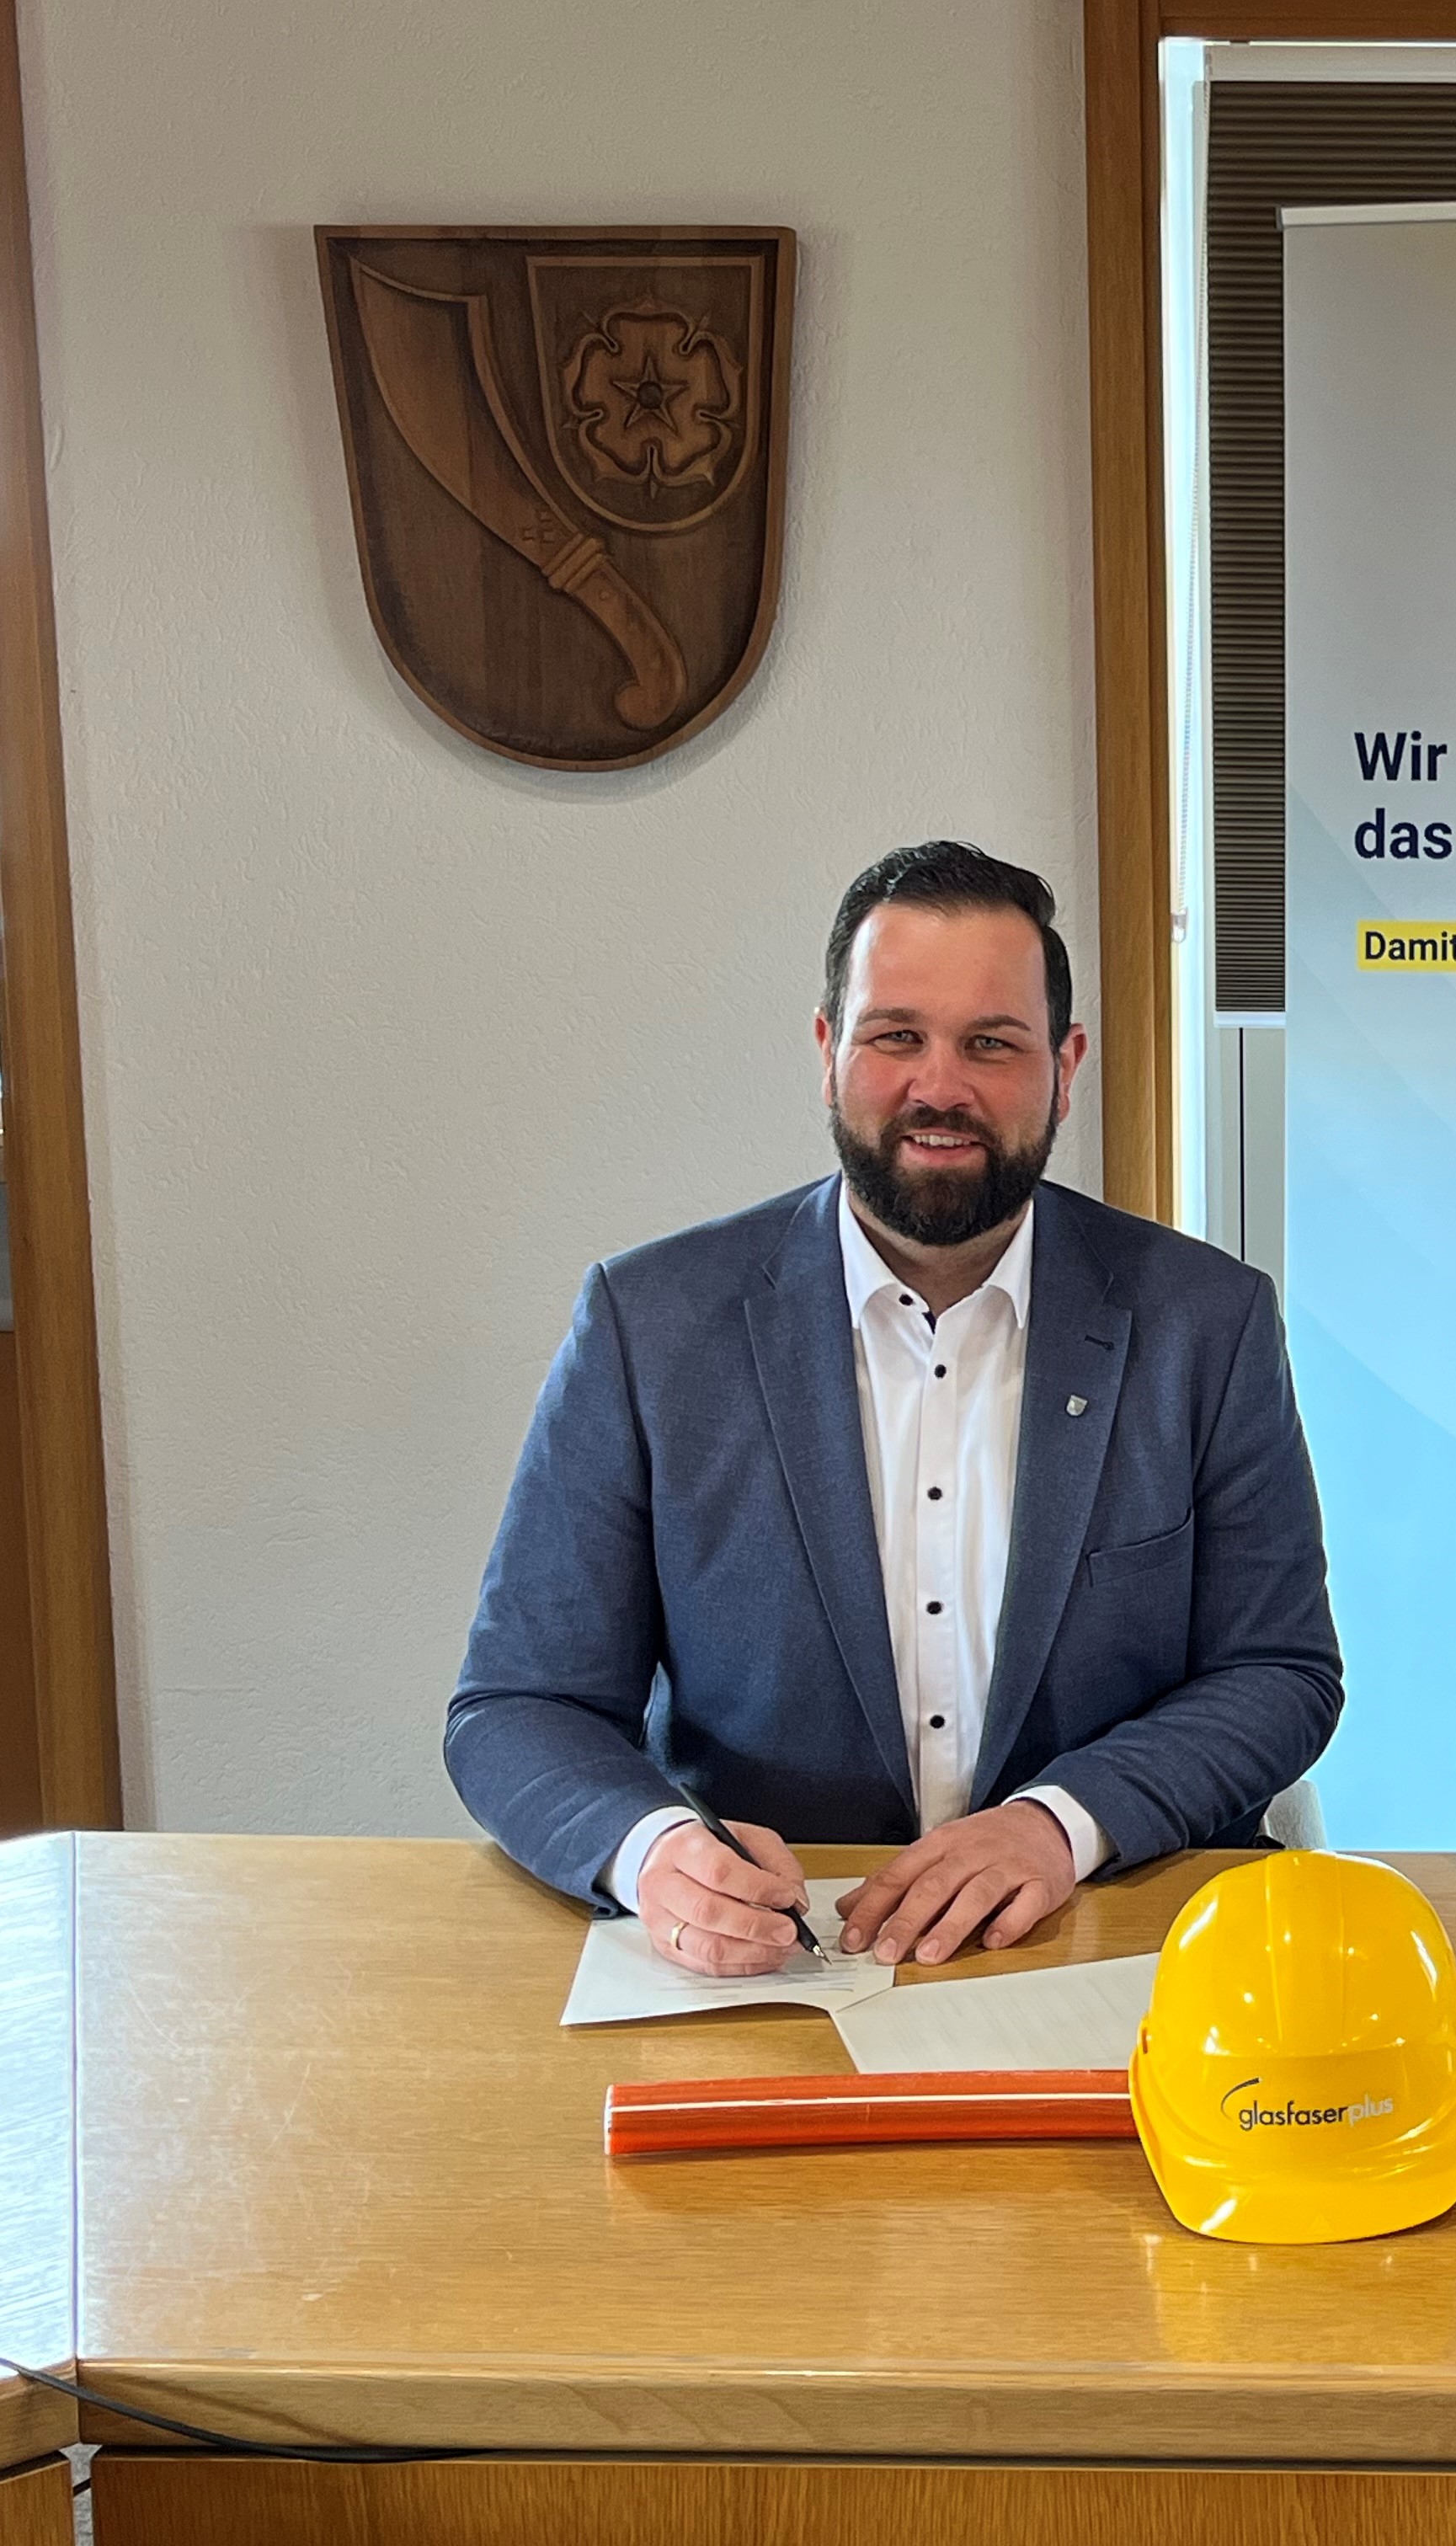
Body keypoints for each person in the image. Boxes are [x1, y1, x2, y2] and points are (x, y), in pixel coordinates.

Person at [446, 841, 1341, 1976]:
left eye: (992, 1043)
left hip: (1102, 1938)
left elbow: (1279, 1671)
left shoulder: (1207, 1321)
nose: (940, 1088)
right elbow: (521, 1703)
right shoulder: (652, 1324)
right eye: (895, 1037)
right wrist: (653, 1853)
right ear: (829, 1053)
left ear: (1066, 1066)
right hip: (775, 1956)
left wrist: (1060, 1823)